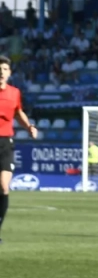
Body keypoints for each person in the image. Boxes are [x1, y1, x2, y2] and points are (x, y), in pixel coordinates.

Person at [0, 56, 36, 244]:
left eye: (4, 69)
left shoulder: (14, 93)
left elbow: (18, 112)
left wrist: (28, 127)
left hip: (5, 143)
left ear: (9, 73)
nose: (1, 72)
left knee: (4, 187)